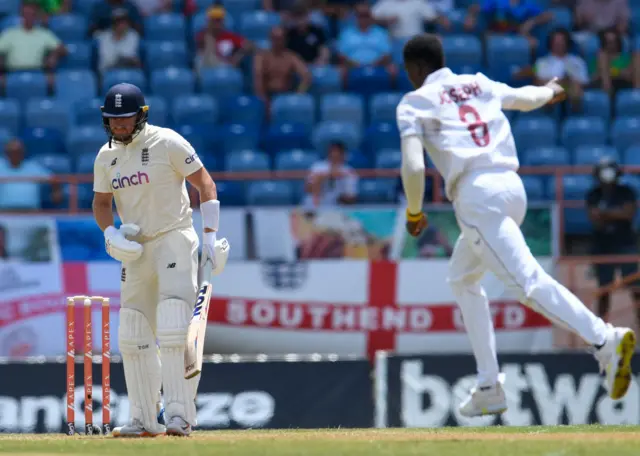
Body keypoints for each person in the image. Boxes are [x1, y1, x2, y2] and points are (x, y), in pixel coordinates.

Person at [396, 33, 636, 417]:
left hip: (477, 198)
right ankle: (489, 385)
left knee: (527, 283)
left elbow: (413, 166)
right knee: (462, 278)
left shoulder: (413, 102)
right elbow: (526, 99)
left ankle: (604, 339)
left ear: (415, 69)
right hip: (511, 188)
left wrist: (413, 211)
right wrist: (551, 91)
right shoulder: (477, 82)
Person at [92, 83, 228, 437]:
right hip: (136, 249)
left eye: (126, 120)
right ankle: (143, 419)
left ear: (141, 115)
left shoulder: (168, 142)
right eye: (113, 121)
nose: (120, 126)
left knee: (173, 327)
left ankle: (180, 416)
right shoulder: (106, 156)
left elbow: (206, 184)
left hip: (174, 238)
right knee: (132, 332)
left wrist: (210, 235)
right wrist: (111, 234)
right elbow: (101, 203)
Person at [587, 158, 640, 326]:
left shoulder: (627, 192)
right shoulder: (593, 194)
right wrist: (616, 213)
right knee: (604, 289)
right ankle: (601, 331)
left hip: (626, 244)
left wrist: (605, 213)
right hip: (603, 246)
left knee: (635, 287)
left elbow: (628, 214)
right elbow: (594, 218)